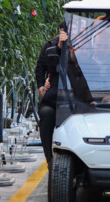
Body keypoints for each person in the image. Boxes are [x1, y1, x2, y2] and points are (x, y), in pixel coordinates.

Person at [36, 21, 68, 164]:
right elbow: (42, 65)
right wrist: (41, 85)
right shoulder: (52, 45)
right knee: (47, 113)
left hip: (78, 97)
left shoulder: (84, 45)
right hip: (56, 95)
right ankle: (50, 159)